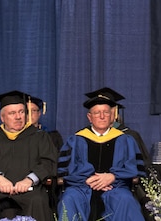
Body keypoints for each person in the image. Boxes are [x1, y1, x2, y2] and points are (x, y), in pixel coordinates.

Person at [0, 90, 57, 221]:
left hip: (30, 190)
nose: (18, 117)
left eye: (21, 112)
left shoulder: (39, 136)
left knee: (38, 200)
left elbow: (49, 162)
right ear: (2, 117)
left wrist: (30, 180)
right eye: (12, 113)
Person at [57, 92, 143, 221]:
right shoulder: (75, 140)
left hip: (115, 186)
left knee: (126, 199)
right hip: (81, 187)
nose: (102, 116)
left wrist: (112, 177)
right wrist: (87, 180)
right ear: (89, 117)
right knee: (69, 198)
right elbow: (64, 173)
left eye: (106, 112)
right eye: (97, 113)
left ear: (112, 116)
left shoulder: (125, 140)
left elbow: (135, 172)